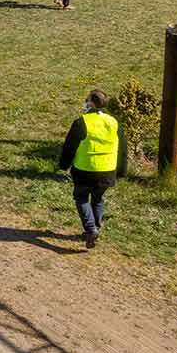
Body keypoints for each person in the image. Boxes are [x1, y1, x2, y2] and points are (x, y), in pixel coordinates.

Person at [57, 89, 127, 248]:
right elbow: (123, 149)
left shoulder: (82, 122)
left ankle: (90, 229)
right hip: (108, 171)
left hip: (84, 170)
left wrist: (63, 164)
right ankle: (96, 228)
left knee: (81, 198)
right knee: (98, 199)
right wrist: (121, 170)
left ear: (91, 103)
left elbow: (69, 147)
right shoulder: (114, 122)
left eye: (86, 99)